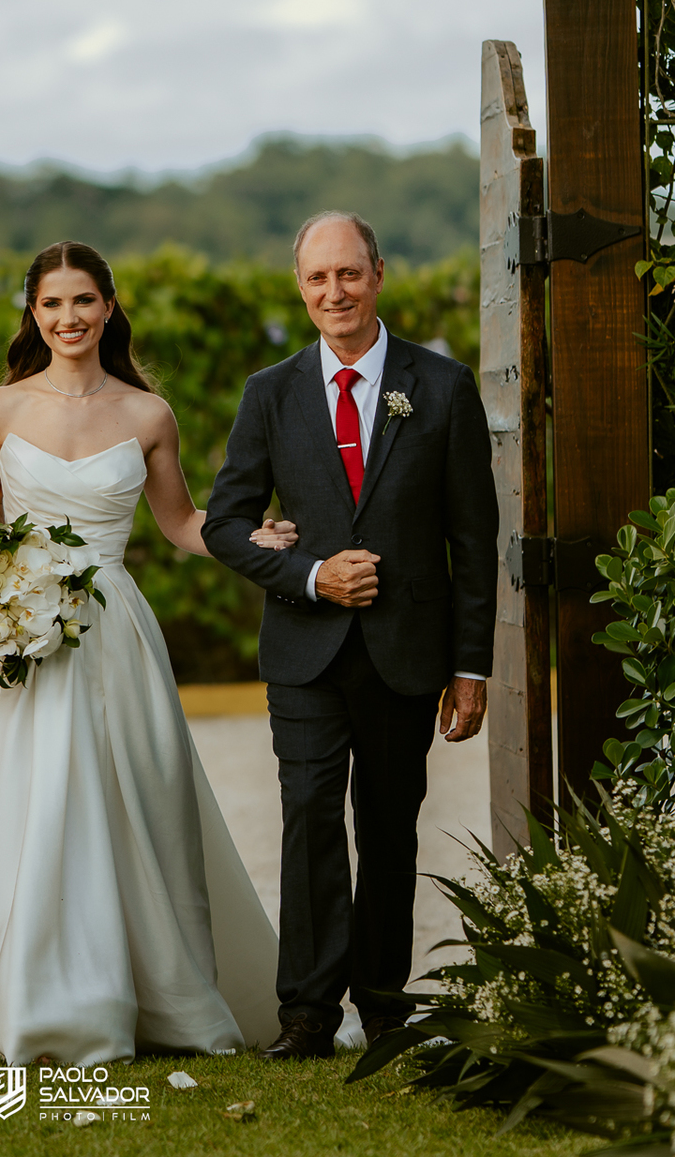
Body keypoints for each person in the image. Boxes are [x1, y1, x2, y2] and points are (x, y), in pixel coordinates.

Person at [0, 240, 292, 1065]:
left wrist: (248, 539)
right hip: (19, 632)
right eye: (51, 304)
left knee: (128, 804)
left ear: (108, 308)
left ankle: (144, 991)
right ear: (32, 314)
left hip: (111, 630)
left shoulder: (148, 415)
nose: (68, 318)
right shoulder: (1, 409)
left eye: (83, 301)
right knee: (27, 805)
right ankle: (24, 1000)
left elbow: (183, 525)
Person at [202, 211, 497, 1060]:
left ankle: (384, 1010)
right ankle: (305, 1016)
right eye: (317, 278)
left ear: (378, 273)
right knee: (308, 820)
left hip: (406, 654)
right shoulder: (270, 392)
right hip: (303, 649)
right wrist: (307, 573)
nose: (334, 291)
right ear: (301, 288)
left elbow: (475, 543)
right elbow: (225, 524)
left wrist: (469, 667)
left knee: (389, 827)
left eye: (349, 274)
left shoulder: (442, 387)